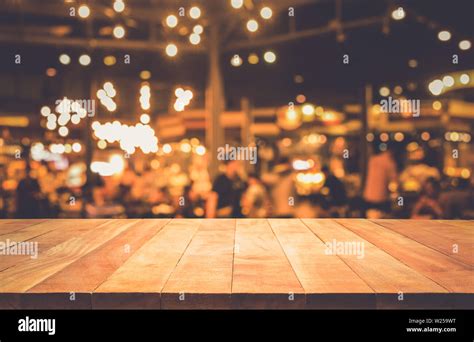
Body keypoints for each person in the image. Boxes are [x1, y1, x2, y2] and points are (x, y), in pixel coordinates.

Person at [363, 140, 398, 217]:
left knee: (370, 220)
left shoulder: (373, 160)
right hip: (381, 198)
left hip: (368, 195)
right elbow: (393, 183)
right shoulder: (389, 162)